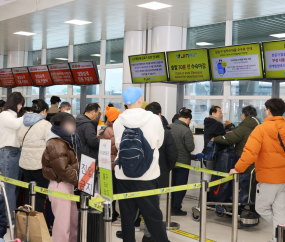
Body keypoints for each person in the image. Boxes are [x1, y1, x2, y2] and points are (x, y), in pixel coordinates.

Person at [113, 86, 169, 242]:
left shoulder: (118, 121)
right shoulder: (154, 119)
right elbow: (159, 142)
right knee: (153, 216)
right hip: (147, 175)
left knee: (127, 216)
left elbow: (119, 146)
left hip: (123, 174)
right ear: (140, 99)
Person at [229, 98, 285, 242]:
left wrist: (237, 168)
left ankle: (280, 231)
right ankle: (277, 237)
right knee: (279, 210)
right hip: (283, 178)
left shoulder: (261, 129)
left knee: (261, 208)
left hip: (268, 178)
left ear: (268, 111)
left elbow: (250, 152)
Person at [42, 112, 80, 242]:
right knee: (63, 227)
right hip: (60, 185)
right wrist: (81, 181)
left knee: (72, 223)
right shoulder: (56, 143)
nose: (73, 127)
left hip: (68, 184)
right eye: (69, 124)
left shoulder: (67, 140)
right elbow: (63, 170)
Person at [143, 102, 178, 242]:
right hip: (157, 175)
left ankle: (147, 233)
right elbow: (172, 155)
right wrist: (166, 169)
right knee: (153, 208)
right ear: (159, 115)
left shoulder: (139, 130)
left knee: (142, 205)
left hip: (140, 175)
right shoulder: (165, 132)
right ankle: (149, 236)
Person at [18, 99, 52, 214]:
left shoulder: (23, 123)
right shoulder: (46, 124)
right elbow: (50, 143)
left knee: (29, 192)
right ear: (44, 111)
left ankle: (27, 219)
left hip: (25, 163)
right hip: (39, 164)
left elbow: (19, 140)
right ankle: (37, 221)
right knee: (40, 195)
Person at [0, 92, 24, 224]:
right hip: (8, 152)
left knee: (14, 188)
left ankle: (10, 218)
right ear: (14, 103)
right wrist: (27, 116)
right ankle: (9, 220)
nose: (21, 106)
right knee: (9, 188)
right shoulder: (5, 115)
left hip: (15, 152)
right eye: (20, 104)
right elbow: (16, 125)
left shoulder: (14, 115)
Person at [169, 108, 195, 216]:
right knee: (181, 186)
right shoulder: (186, 130)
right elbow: (190, 148)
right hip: (182, 163)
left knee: (172, 185)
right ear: (188, 119)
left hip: (170, 162)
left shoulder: (169, 127)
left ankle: (170, 207)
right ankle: (176, 208)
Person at [99, 106, 121, 226]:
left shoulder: (104, 128)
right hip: (112, 165)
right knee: (112, 191)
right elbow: (115, 148)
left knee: (108, 190)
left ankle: (111, 212)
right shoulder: (113, 130)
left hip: (105, 164)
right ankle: (110, 214)